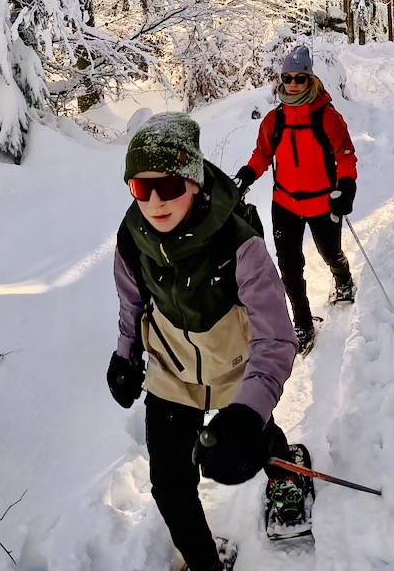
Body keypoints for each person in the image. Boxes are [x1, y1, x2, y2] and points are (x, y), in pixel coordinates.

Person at [107, 112, 310, 571]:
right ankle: (205, 564)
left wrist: (245, 413)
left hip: (235, 363)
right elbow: (131, 304)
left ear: (194, 183)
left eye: (170, 187)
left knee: (256, 433)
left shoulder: (237, 243)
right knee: (169, 481)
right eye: (142, 188)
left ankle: (286, 474)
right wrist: (125, 355)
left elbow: (277, 337)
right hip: (172, 371)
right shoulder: (130, 239)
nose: (155, 201)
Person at [233, 45, 358, 354]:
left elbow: (345, 155)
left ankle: (342, 277)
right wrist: (246, 176)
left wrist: (346, 186)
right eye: (287, 78)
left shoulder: (327, 117)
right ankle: (301, 323)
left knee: (330, 252)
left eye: (299, 78)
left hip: (323, 203)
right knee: (289, 267)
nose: (292, 84)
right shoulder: (274, 121)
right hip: (285, 204)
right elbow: (262, 154)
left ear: (310, 80)